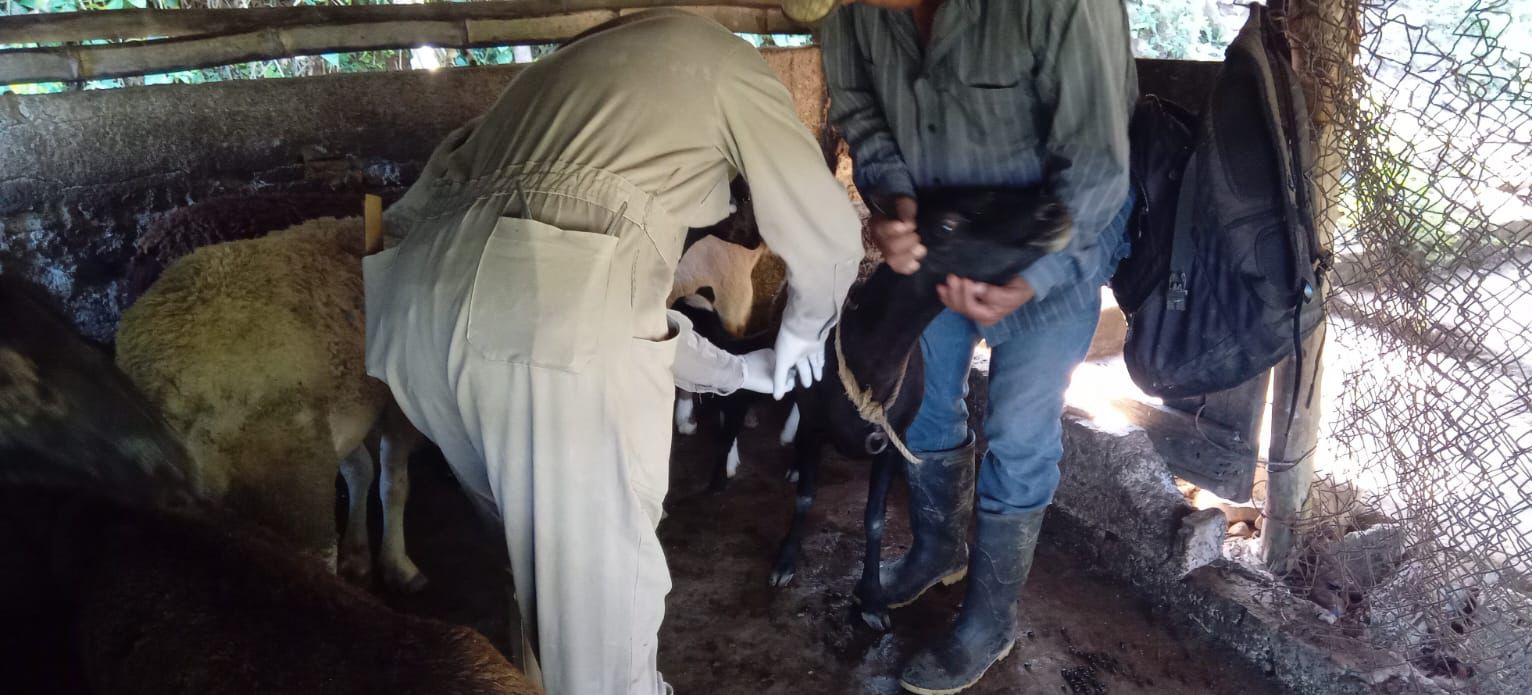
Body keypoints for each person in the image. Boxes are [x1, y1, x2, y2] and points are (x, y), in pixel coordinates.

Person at [361, 10, 863, 695]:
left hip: (415, 318)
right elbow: (830, 237)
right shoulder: (725, 61)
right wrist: (806, 323)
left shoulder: (553, 81)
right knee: (601, 635)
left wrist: (744, 368)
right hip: (536, 328)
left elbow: (619, 323)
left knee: (534, 567)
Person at [814, 0, 1138, 692]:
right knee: (928, 407)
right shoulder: (847, 10)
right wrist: (893, 202)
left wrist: (1034, 277)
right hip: (936, 239)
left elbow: (1098, 168)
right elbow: (863, 112)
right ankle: (938, 552)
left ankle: (990, 619)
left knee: (1019, 436)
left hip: (1049, 252)